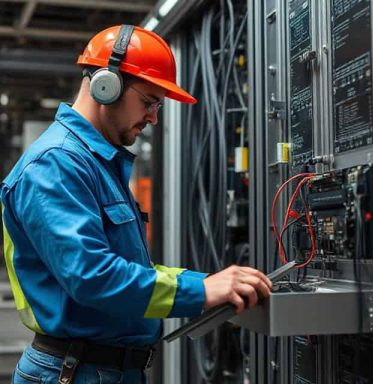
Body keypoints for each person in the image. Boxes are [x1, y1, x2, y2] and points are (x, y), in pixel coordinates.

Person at [0, 25, 272, 383]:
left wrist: (207, 282)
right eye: (148, 102)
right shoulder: (56, 163)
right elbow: (92, 276)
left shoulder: (96, 163)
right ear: (106, 86)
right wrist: (201, 292)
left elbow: (128, 266)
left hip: (103, 370)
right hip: (75, 372)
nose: (154, 118)